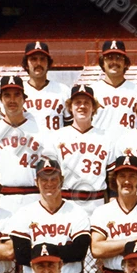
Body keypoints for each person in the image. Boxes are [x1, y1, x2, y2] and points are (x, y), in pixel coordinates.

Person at [0, 75, 58, 214]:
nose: (12, 100)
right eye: (7, 95)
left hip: (35, 198)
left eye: (17, 95)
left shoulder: (42, 132)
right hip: (1, 199)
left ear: (24, 99)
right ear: (0, 99)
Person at [9, 158, 90, 273]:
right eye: (44, 179)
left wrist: (39, 252)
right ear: (36, 182)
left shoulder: (77, 212)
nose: (49, 183)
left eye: (54, 179)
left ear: (62, 181)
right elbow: (22, 255)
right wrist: (64, 250)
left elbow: (79, 252)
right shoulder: (24, 213)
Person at [53, 84, 112, 216]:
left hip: (97, 202)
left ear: (94, 107)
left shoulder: (106, 137)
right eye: (77, 102)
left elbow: (111, 177)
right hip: (67, 201)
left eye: (87, 103)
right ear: (70, 107)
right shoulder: (56, 137)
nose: (82, 106)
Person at [91, 40, 137, 137]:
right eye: (109, 58)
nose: (114, 62)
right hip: (99, 147)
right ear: (102, 63)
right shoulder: (91, 91)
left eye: (119, 58)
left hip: (129, 147)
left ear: (125, 63)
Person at [21, 41, 71, 132]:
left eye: (42, 59)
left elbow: (71, 125)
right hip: (27, 145)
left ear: (48, 63)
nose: (38, 63)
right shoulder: (18, 92)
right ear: (26, 64)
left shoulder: (63, 90)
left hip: (55, 145)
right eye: (33, 59)